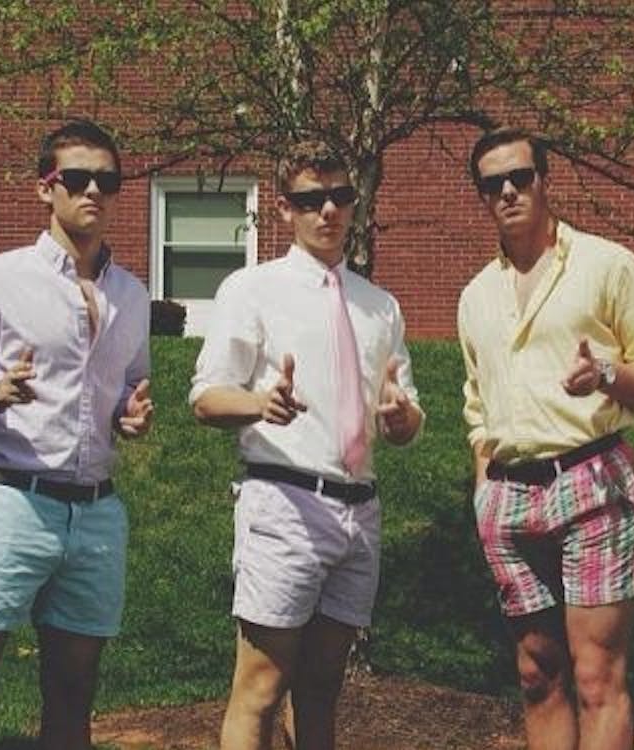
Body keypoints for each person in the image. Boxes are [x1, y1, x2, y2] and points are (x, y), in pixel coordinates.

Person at [0, 119, 153, 750]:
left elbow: (127, 385)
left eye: (107, 179)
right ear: (46, 188)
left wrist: (130, 410)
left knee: (73, 694)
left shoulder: (131, 294)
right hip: (11, 499)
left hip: (96, 513)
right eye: (76, 178)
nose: (92, 190)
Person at [190, 139, 423, 750]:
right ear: (284, 208)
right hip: (285, 502)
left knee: (322, 688)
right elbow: (207, 396)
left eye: (340, 196)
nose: (328, 211)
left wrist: (403, 419)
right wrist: (260, 403)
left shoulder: (380, 306)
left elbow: (405, 409)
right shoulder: (252, 289)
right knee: (261, 688)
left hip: (360, 510)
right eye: (311, 198)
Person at [458, 127, 634, 749]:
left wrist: (607, 375)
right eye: (491, 183)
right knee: (536, 674)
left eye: (520, 177)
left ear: (544, 179)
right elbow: (478, 402)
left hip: (592, 480)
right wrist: (483, 488)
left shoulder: (608, 266)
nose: (507, 191)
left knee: (596, 676)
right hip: (507, 496)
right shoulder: (477, 295)